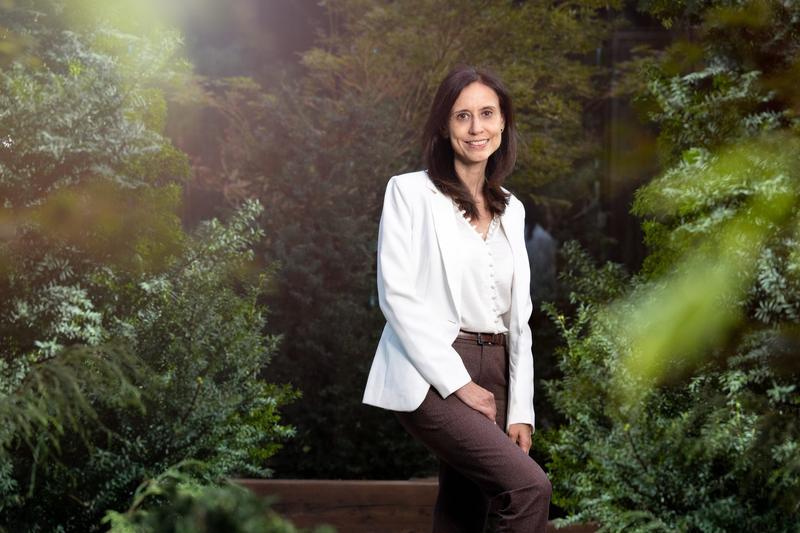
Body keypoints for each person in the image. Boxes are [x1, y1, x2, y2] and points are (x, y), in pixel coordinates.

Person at [362, 65, 552, 532]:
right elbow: (396, 295)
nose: (475, 128)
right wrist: (459, 383)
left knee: (464, 513)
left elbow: (520, 319)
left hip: (498, 365)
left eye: (487, 114)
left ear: (503, 123)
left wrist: (521, 409)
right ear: (445, 127)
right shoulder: (409, 192)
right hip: (432, 369)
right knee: (528, 488)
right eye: (462, 116)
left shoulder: (512, 208)